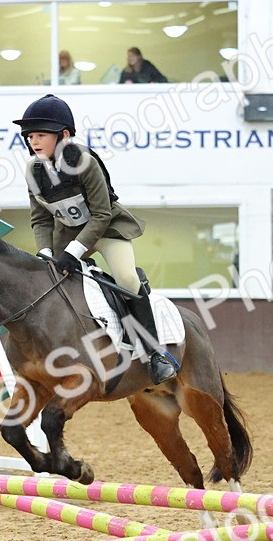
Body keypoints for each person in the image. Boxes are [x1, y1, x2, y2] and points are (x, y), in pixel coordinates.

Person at [13, 94, 179, 384]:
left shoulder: (85, 163)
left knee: (126, 279)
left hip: (107, 229)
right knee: (49, 283)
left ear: (64, 135)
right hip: (67, 234)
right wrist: (46, 252)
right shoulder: (33, 171)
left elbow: (101, 214)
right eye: (30, 136)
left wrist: (74, 252)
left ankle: (155, 353)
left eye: (41, 135)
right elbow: (41, 219)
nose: (33, 142)